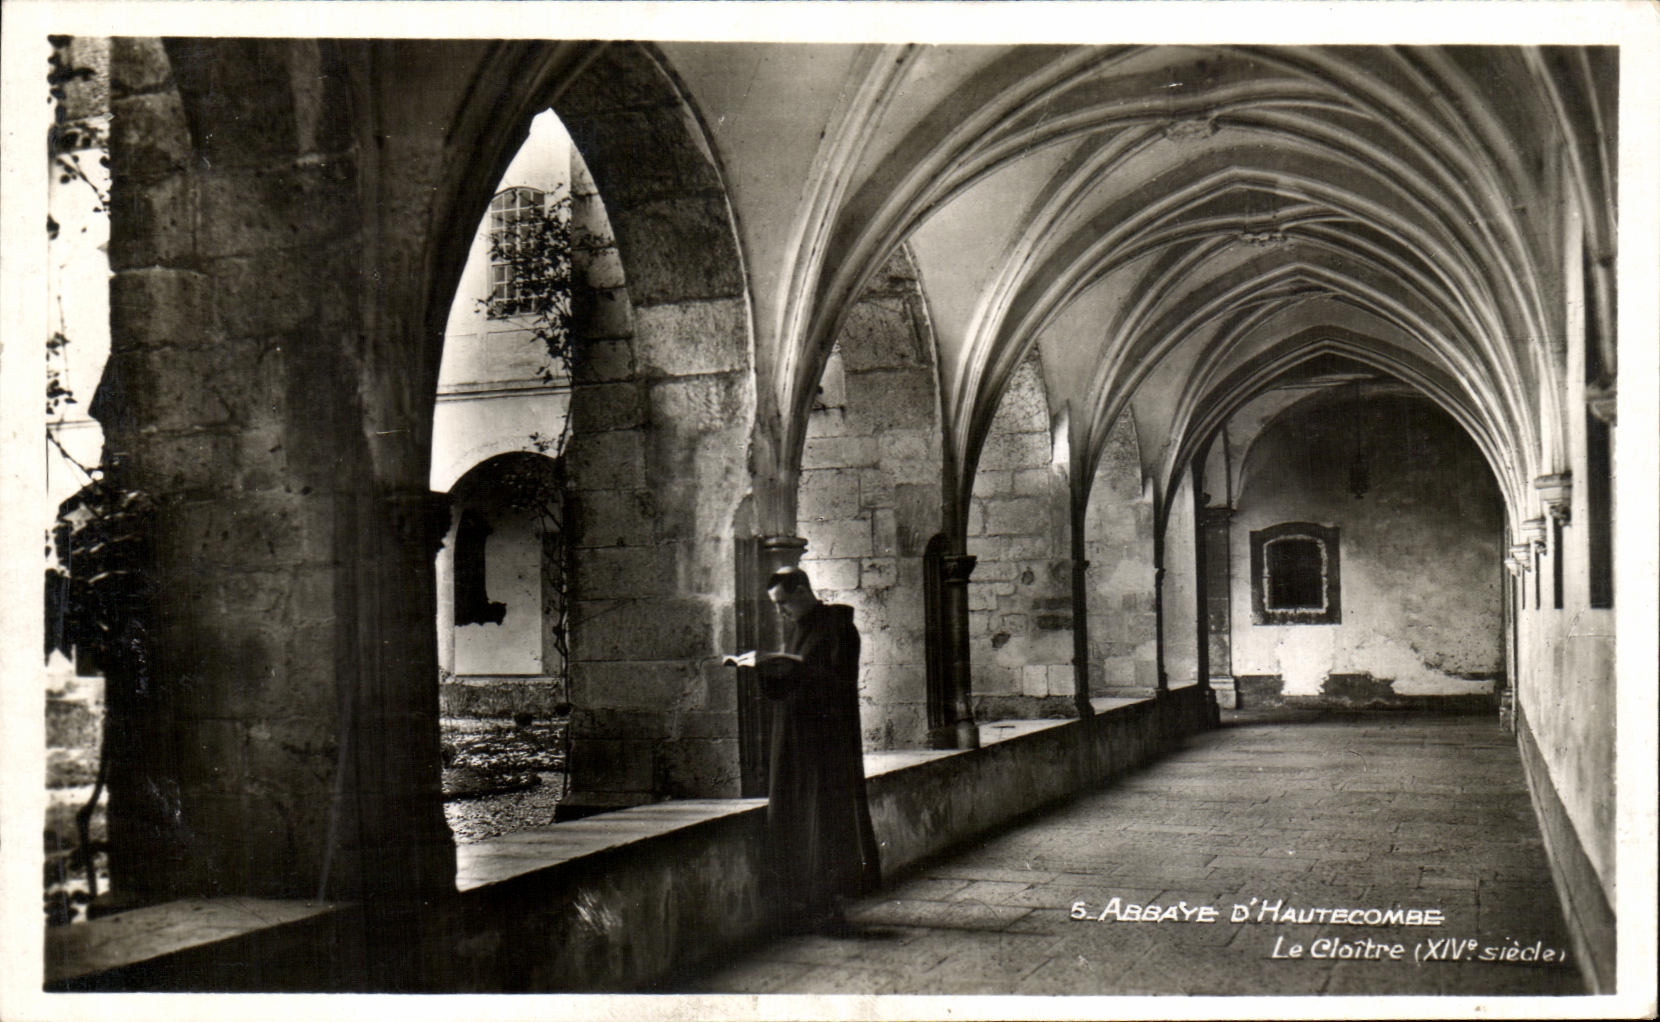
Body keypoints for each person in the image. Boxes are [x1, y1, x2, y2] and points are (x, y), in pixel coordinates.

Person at [756, 567, 880, 935]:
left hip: (824, 743)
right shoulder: (798, 630)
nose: (781, 614)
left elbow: (839, 686)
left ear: (801, 591)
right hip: (794, 740)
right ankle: (801, 902)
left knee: (824, 821)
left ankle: (827, 906)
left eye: (782, 604)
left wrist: (798, 674)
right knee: (795, 815)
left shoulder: (839, 628)